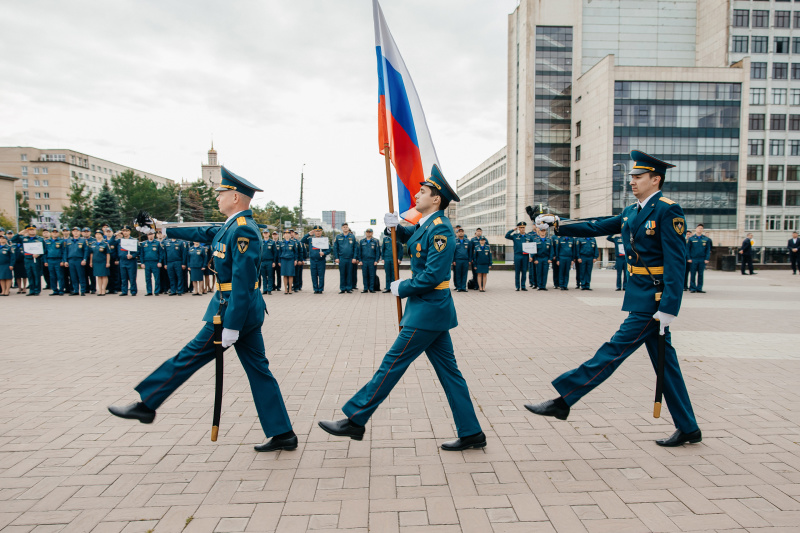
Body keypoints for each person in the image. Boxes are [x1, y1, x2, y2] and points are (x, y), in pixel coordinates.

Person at [109, 166, 297, 452]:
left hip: (232, 312)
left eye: (221, 193)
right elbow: (202, 230)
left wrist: (232, 325)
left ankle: (147, 404)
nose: (217, 198)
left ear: (235, 196)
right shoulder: (232, 226)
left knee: (188, 357)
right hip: (240, 312)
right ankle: (282, 433)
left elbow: (243, 284)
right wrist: (161, 227)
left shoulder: (244, 231)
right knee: (259, 371)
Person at [527, 150, 701, 447]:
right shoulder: (632, 211)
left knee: (613, 350)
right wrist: (557, 223)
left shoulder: (668, 210)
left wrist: (670, 307)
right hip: (640, 294)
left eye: (638, 177)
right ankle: (688, 428)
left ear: (655, 179)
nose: (632, 181)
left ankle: (565, 399)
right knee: (665, 366)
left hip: (654, 301)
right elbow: (595, 227)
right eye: (632, 176)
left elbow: (676, 261)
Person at [318, 164, 486, 451]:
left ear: (436, 199)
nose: (417, 195)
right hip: (430, 311)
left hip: (427, 310)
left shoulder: (442, 229)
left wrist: (402, 287)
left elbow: (433, 275)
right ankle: (471, 433)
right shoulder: (428, 225)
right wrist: (392, 228)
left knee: (392, 364)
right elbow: (413, 240)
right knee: (450, 374)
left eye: (422, 192)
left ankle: (356, 418)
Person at [301, 225, 329, 294]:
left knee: (321, 275)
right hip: (313, 260)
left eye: (319, 231)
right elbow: (302, 240)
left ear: (321, 232)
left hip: (321, 260)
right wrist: (308, 234)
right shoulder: (311, 239)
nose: (318, 233)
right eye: (316, 231)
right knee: (314, 275)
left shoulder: (324, 240)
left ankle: (321, 289)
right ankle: (315, 288)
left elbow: (329, 249)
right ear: (314, 232)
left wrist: (324, 253)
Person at [505, 222, 532, 291]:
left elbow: (532, 246)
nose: (522, 229)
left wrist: (531, 256)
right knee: (517, 271)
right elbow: (507, 236)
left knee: (524, 271)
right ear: (518, 228)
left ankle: (523, 286)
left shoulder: (528, 236)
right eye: (521, 227)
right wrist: (513, 230)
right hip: (517, 255)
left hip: (525, 256)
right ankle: (517, 286)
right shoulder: (515, 236)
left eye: (523, 227)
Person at [333, 223, 357, 293]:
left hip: (350, 258)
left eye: (346, 227)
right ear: (342, 228)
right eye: (344, 227)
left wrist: (354, 257)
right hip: (341, 258)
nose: (345, 228)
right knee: (342, 274)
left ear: (348, 228)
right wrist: (336, 258)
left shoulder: (352, 236)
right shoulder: (338, 237)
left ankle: (349, 288)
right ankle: (342, 288)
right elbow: (335, 248)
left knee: (349, 274)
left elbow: (355, 248)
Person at [687, 223, 711, 293]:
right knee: (693, 274)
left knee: (700, 274)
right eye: (699, 228)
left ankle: (699, 288)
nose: (700, 229)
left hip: (702, 259)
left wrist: (707, 258)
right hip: (693, 259)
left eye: (701, 228)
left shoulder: (706, 239)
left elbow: (708, 250)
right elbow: (688, 249)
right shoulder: (691, 239)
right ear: (696, 229)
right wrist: (688, 258)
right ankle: (692, 287)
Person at [65, 226, 89, 296]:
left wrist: (84, 259)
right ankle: (75, 290)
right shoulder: (68, 241)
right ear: (72, 232)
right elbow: (66, 251)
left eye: (77, 231)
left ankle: (82, 290)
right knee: (73, 276)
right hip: (71, 260)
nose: (76, 233)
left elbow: (86, 251)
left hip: (79, 260)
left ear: (80, 232)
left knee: (81, 275)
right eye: (74, 231)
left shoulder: (83, 240)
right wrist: (65, 261)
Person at [117, 225, 139, 296]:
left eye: (127, 231)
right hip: (122, 261)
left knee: (132, 277)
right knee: (123, 277)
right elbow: (111, 243)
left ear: (129, 232)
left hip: (131, 261)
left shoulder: (134, 240)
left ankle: (133, 291)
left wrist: (132, 256)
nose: (125, 232)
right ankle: (124, 291)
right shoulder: (120, 240)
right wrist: (116, 234)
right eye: (123, 231)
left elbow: (138, 251)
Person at [140, 231, 164, 296]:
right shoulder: (144, 243)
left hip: (155, 262)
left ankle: (157, 291)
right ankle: (149, 291)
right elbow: (141, 254)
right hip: (147, 262)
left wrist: (159, 261)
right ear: (147, 235)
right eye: (149, 234)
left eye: (152, 234)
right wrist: (142, 263)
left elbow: (161, 254)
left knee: (157, 278)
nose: (150, 236)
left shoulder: (157, 243)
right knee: (147, 278)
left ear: (154, 235)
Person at [89, 229, 112, 295]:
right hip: (96, 262)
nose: (98, 235)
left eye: (99, 234)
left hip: (103, 262)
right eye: (96, 234)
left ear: (102, 235)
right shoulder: (93, 244)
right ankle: (100, 289)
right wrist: (91, 262)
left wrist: (108, 262)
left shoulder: (105, 244)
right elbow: (91, 254)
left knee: (104, 276)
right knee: (98, 276)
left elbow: (108, 254)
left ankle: (104, 289)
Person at [356, 229, 379, 293]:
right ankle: (365, 288)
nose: (368, 234)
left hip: (372, 261)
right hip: (364, 261)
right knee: (365, 275)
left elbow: (377, 252)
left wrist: (376, 260)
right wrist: (360, 260)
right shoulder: (362, 241)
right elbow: (359, 251)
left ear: (372, 233)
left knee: (372, 275)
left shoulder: (375, 241)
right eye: (367, 232)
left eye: (370, 232)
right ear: (365, 233)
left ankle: (371, 288)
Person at [44, 228, 66, 295]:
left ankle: (61, 290)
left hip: (58, 260)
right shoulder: (47, 241)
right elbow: (45, 252)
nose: (55, 233)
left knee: (60, 276)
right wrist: (45, 261)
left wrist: (63, 260)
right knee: (52, 276)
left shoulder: (62, 241)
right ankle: (54, 290)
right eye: (53, 232)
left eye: (56, 232)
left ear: (58, 233)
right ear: (51, 233)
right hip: (50, 260)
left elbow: (64, 252)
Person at [530, 224, 553, 291]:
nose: (543, 232)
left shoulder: (549, 240)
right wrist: (535, 259)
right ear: (539, 232)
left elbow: (551, 250)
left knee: (545, 273)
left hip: (546, 258)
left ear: (545, 232)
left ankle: (544, 286)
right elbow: (534, 251)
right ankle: (539, 286)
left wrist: (550, 259)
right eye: (541, 231)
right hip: (539, 258)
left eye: (544, 231)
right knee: (539, 272)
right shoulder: (536, 240)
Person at [278, 229, 298, 294]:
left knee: (290, 274)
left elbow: (295, 252)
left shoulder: (293, 243)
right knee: (285, 275)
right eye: (285, 233)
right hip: (283, 259)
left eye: (288, 233)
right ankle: (285, 289)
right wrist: (279, 261)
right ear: (284, 235)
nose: (287, 235)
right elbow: (279, 253)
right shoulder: (281, 243)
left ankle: (290, 289)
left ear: (290, 235)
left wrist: (295, 260)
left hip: (290, 260)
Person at [452, 227, 470, 292]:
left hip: (465, 260)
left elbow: (469, 251)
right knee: (458, 274)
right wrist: (453, 260)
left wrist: (470, 260)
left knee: (464, 274)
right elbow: (453, 251)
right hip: (457, 260)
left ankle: (464, 287)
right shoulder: (455, 241)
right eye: (459, 232)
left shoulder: (467, 241)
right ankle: (459, 287)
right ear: (457, 233)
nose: (461, 233)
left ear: (464, 233)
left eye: (462, 231)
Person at [259, 229, 276, 295]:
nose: (265, 234)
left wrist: (274, 262)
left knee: (270, 276)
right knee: (263, 277)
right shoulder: (261, 242)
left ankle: (269, 289)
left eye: (267, 233)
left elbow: (275, 253)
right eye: (264, 233)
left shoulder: (272, 242)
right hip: (262, 262)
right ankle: (264, 289)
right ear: (262, 234)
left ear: (269, 234)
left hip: (270, 261)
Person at [81, 227, 97, 294]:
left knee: (92, 275)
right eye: (84, 232)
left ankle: (93, 288)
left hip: (91, 259)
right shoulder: (81, 240)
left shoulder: (94, 240)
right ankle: (86, 288)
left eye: (87, 231)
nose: (86, 233)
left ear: (90, 232)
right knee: (84, 275)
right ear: (82, 233)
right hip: (83, 259)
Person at [105, 228, 120, 294]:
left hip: (113, 260)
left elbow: (117, 251)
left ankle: (115, 288)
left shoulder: (115, 241)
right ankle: (109, 288)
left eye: (109, 232)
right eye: (107, 232)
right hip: (106, 260)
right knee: (108, 274)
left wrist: (117, 259)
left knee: (115, 274)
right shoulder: (104, 241)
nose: (108, 233)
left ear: (112, 232)